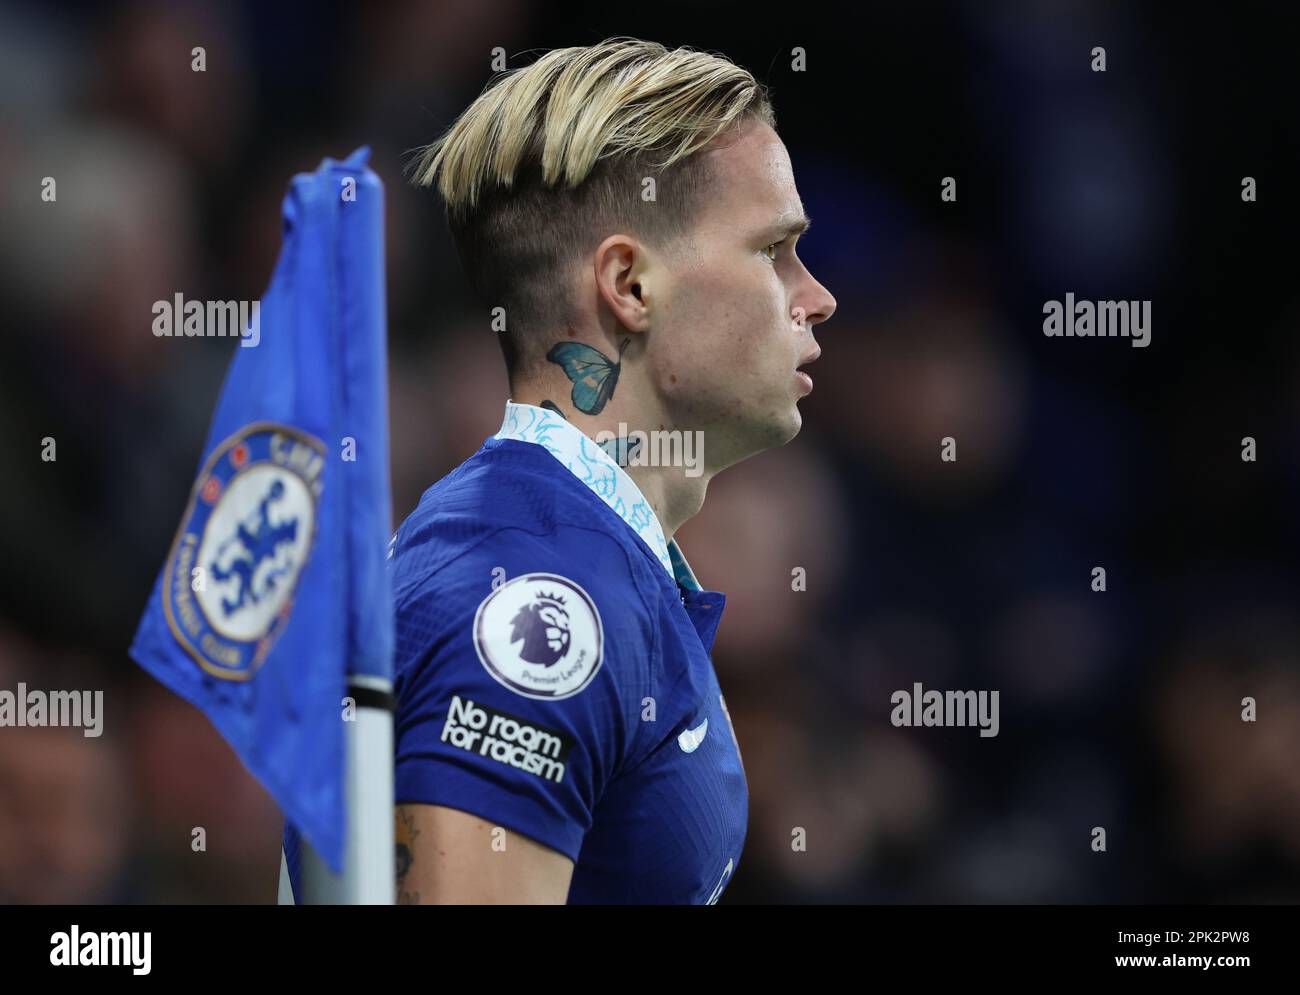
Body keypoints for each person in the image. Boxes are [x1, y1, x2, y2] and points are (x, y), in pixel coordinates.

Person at [391, 36, 835, 903]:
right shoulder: (541, 594)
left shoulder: (575, 555)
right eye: (774, 250)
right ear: (629, 284)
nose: (815, 294)